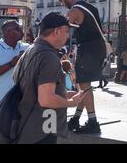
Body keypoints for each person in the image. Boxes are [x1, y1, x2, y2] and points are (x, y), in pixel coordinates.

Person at [14, 12, 86, 144]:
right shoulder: (49, 57)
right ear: (57, 32)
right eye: (66, 31)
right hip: (41, 130)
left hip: (26, 125)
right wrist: (70, 103)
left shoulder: (31, 50)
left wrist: (62, 94)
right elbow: (46, 99)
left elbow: (26, 86)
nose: (68, 35)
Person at [56, 0, 106, 134]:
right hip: (97, 47)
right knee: (83, 87)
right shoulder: (88, 6)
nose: (61, 3)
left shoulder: (75, 10)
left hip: (89, 48)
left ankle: (92, 122)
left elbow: (62, 31)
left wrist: (59, 49)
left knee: (84, 86)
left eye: (61, 0)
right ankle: (76, 119)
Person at [0, 20, 30, 140]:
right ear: (8, 32)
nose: (21, 30)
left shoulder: (26, 48)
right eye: (18, 28)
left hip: (19, 102)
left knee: (18, 135)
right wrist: (11, 64)